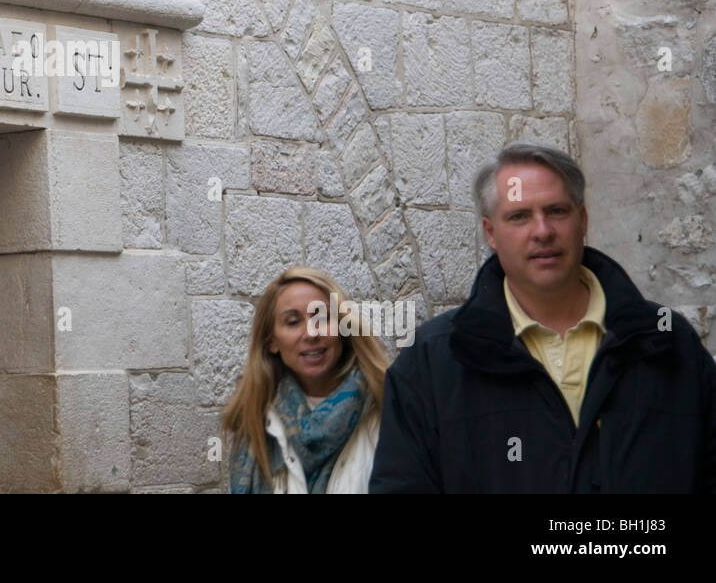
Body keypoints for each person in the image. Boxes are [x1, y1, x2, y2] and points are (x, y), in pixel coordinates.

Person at [370, 142, 716, 493]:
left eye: (556, 211)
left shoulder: (667, 342)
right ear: (491, 232)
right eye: (519, 216)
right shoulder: (432, 363)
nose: (542, 231)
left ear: (582, 220)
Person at [225, 267, 390, 493]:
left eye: (322, 317)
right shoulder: (255, 425)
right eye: (293, 322)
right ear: (272, 341)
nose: (312, 333)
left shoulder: (386, 409)